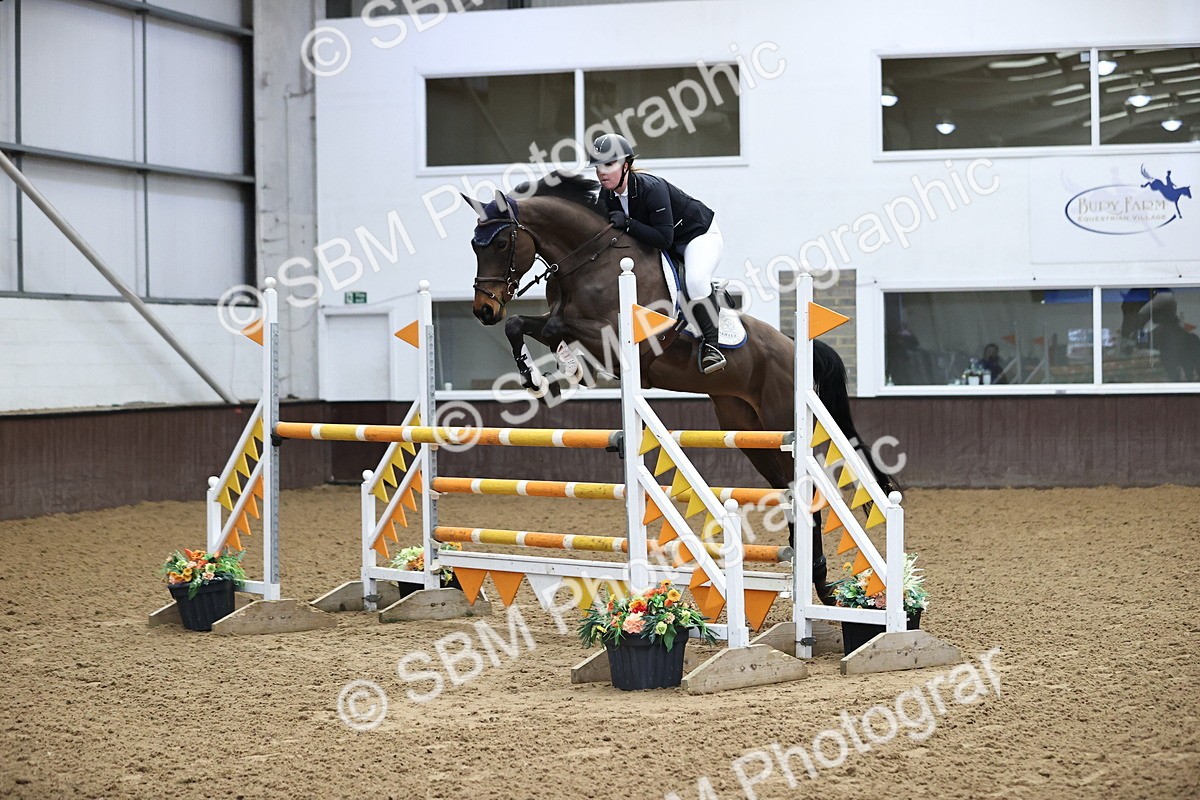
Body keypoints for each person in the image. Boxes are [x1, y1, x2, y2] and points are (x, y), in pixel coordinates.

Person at [587, 133, 726, 374]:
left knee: (694, 281)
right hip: (666, 244)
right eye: (598, 166)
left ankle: (712, 346)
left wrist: (628, 223)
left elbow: (664, 238)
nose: (601, 172)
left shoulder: (652, 188)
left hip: (697, 237)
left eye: (609, 164)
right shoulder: (606, 195)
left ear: (626, 166)